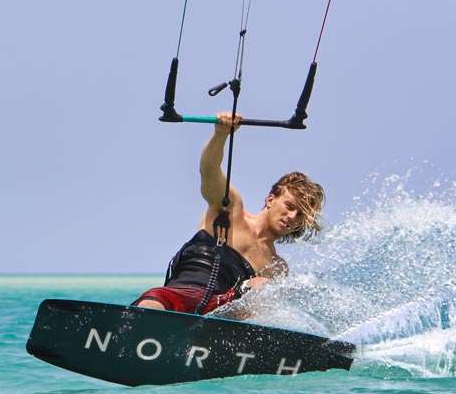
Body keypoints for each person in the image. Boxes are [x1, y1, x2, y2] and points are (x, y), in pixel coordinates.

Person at [133, 112, 325, 314]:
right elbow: (209, 169)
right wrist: (221, 134)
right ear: (271, 199)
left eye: (300, 215)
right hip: (178, 294)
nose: (292, 217)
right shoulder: (229, 208)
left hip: (220, 312)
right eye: (290, 206)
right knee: (151, 304)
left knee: (262, 285)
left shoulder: (276, 267)